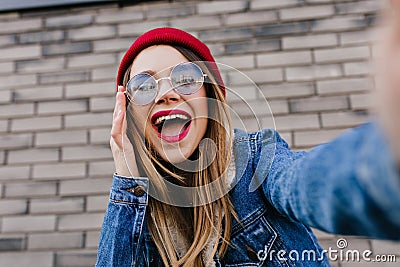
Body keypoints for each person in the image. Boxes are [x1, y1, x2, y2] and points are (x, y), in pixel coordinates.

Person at [95, 10, 400, 267]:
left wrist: (390, 159)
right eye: (144, 86)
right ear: (129, 113)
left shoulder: (257, 160)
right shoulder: (135, 215)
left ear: (210, 95)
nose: (166, 93)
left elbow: (309, 183)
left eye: (185, 78)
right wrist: (127, 180)